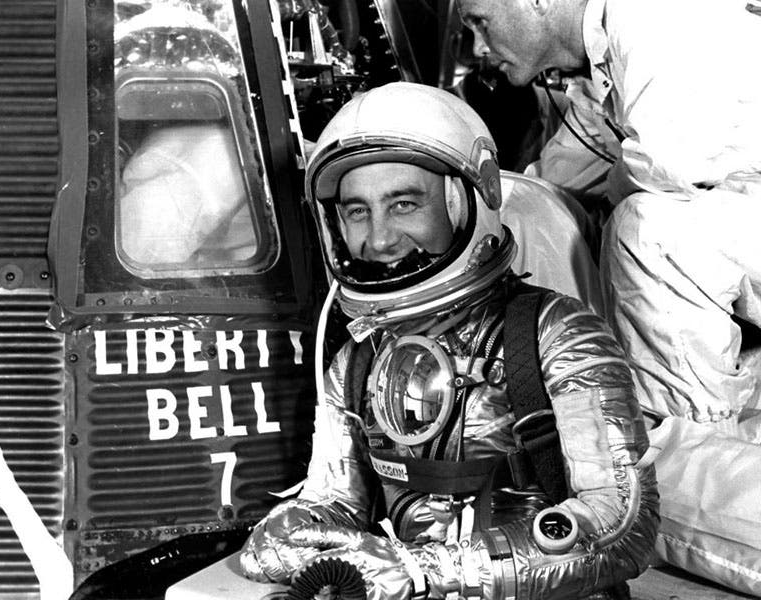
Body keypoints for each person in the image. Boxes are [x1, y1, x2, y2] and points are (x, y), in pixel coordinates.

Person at [238, 82, 658, 599]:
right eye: (357, 211)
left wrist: (425, 569)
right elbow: (338, 503)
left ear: (463, 201)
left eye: (404, 204)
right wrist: (291, 531)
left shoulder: (558, 335)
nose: (380, 239)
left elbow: (620, 527)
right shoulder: (356, 361)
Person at [455, 0, 761, 594]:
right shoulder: (602, 63)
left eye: (479, 21)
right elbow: (555, 177)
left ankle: (686, 461)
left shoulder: (654, 16)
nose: (478, 48)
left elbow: (671, 162)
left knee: (647, 230)